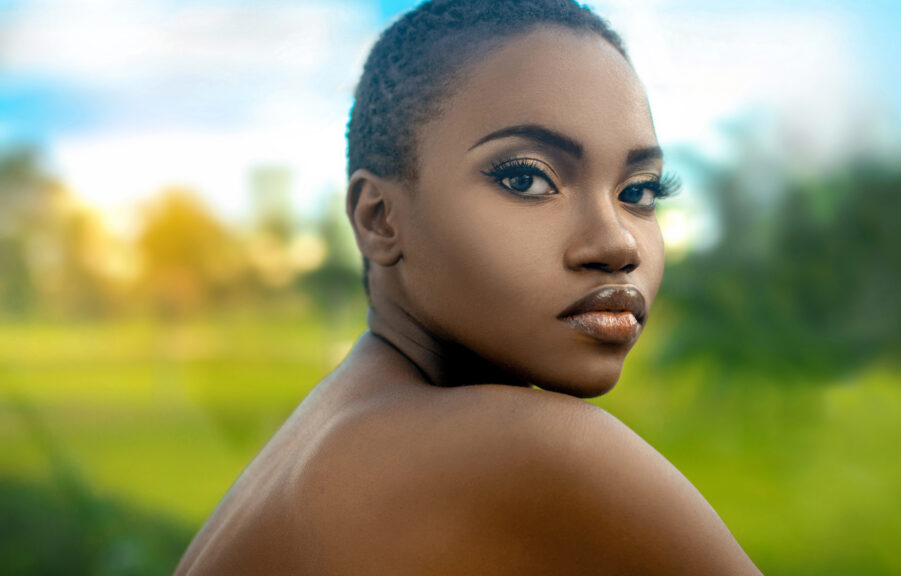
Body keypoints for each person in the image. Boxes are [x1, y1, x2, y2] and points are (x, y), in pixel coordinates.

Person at [175, 0, 762, 573]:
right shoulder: (529, 451)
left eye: (638, 192)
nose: (617, 245)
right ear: (379, 218)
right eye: (528, 179)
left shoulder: (331, 429)